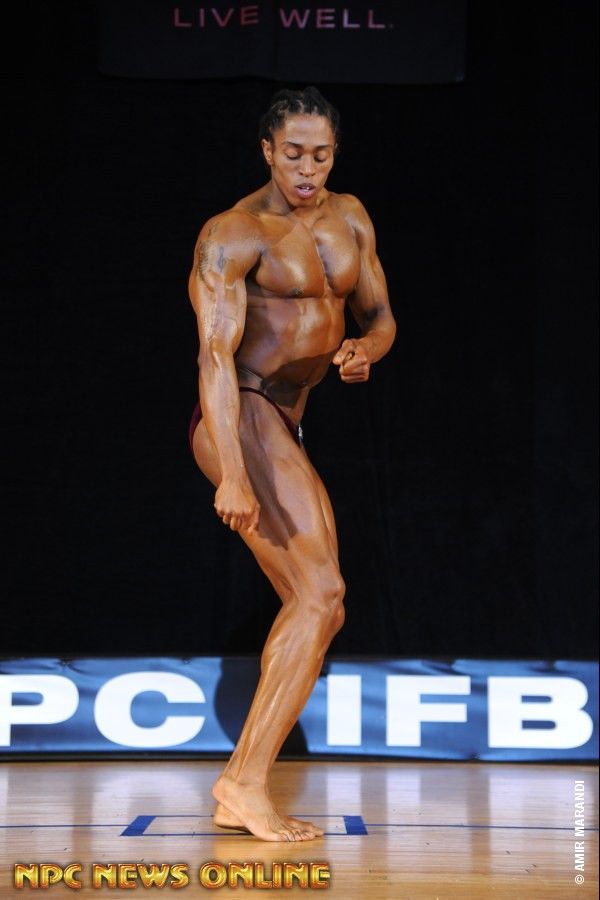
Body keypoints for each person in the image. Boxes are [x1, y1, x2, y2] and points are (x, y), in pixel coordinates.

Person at [188, 86, 396, 841]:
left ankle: (239, 786)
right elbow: (214, 357)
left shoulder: (352, 219)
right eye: (295, 154)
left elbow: (380, 316)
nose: (308, 169)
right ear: (268, 151)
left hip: (285, 421)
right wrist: (234, 472)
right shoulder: (234, 232)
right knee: (322, 590)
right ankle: (243, 784)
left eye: (321, 155)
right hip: (240, 412)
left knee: (321, 604)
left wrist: (366, 350)